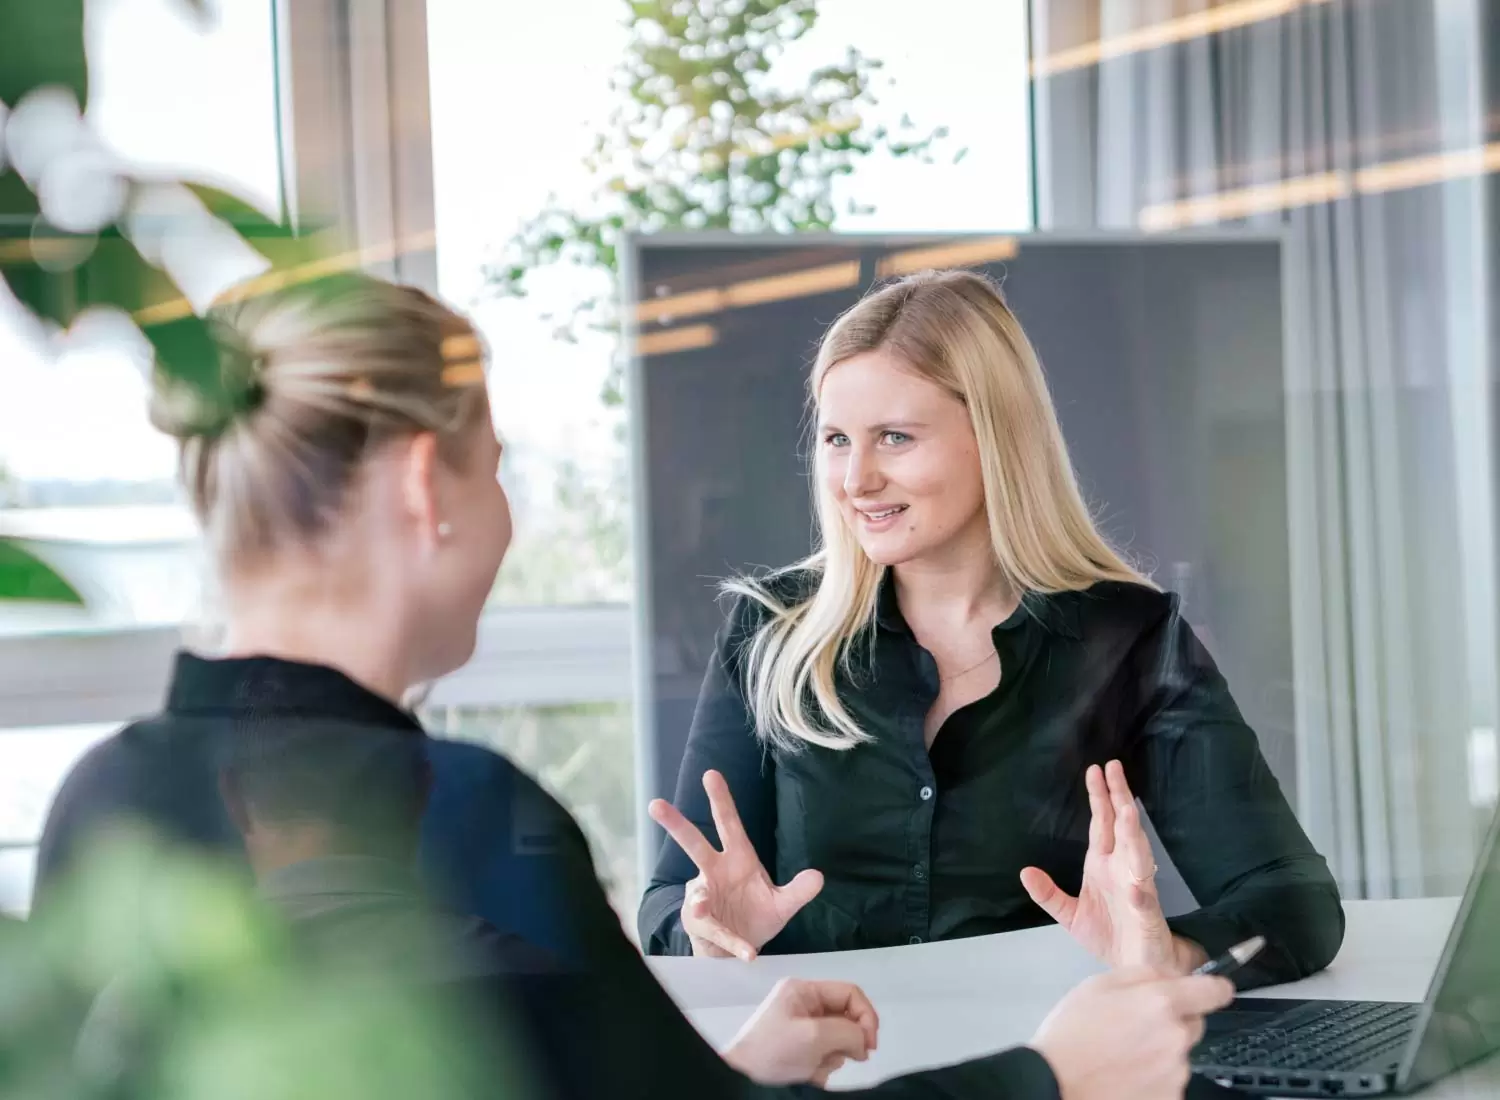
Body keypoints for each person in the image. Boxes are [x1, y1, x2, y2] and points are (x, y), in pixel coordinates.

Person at [35, 270, 1234, 1100]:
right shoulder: (457, 811)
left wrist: (720, 1072)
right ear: (424, 490)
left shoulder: (106, 794)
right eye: (495, 469)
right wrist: (1055, 1075)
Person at [639, 268, 1344, 989]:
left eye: (894, 437)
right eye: (836, 439)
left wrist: (1170, 953)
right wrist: (702, 929)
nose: (856, 480)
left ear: (996, 437)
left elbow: (1294, 905)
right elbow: (669, 905)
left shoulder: (1129, 639)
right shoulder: (773, 631)